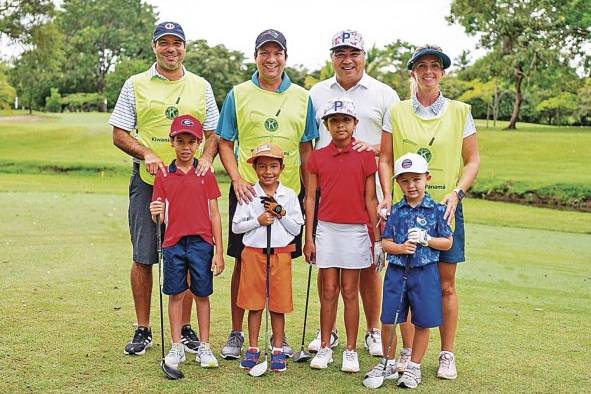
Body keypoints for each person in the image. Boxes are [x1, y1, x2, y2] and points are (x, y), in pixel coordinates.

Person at [110, 21, 220, 356]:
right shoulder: (135, 84)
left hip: (191, 185)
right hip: (148, 182)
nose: (171, 49)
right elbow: (119, 132)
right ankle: (143, 329)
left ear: (185, 47)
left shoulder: (201, 86)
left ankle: (184, 329)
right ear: (154, 46)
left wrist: (206, 158)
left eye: (177, 43)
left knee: (191, 253)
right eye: (164, 43)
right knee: (143, 255)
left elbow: (214, 132)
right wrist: (146, 152)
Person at [378, 44, 480, 379]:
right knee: (407, 282)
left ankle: (446, 354)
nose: (429, 72)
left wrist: (457, 192)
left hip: (445, 210)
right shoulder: (396, 111)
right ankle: (408, 352)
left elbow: (473, 161)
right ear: (413, 72)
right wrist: (385, 196)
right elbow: (386, 158)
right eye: (421, 66)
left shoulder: (460, 111)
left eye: (435, 66)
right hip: (405, 210)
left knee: (446, 285)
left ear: (443, 72)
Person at [217, 29, 318, 359]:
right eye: (265, 52)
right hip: (248, 191)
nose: (271, 59)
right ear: (256, 56)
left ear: (285, 57)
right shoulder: (239, 93)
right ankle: (236, 332)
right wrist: (235, 179)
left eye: (277, 53)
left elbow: (307, 150)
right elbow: (224, 142)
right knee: (243, 263)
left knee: (281, 264)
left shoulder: (303, 97)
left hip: (288, 195)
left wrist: (307, 193)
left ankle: (278, 337)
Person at [308, 29, 400, 357]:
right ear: (332, 57)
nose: (347, 60)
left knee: (367, 267)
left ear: (364, 56)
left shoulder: (384, 94)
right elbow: (310, 142)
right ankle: (327, 331)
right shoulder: (316, 93)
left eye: (353, 53)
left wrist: (370, 147)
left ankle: (372, 330)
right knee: (328, 264)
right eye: (339, 53)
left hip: (369, 194)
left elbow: (395, 145)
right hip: (328, 192)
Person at [364, 153, 452, 389]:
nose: (411, 185)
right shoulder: (397, 210)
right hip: (397, 272)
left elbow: (447, 242)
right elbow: (386, 242)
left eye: (416, 179)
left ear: (427, 178)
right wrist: (401, 247)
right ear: (398, 183)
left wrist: (427, 239)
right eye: (404, 181)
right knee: (388, 319)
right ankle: (388, 363)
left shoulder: (436, 209)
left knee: (422, 322)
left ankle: (413, 367)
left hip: (425, 272)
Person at [304, 98, 380, 373]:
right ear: (326, 125)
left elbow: (371, 199)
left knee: (350, 290)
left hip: (357, 230)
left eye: (345, 120)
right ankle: (325, 346)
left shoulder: (365, 156)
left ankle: (350, 350)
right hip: (326, 229)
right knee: (328, 290)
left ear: (355, 123)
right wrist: (309, 237)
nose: (340, 125)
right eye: (334, 121)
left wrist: (378, 239)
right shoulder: (318, 157)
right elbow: (310, 198)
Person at [149, 114, 224, 370]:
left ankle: (204, 346)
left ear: (199, 143)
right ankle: (176, 346)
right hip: (173, 243)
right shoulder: (164, 176)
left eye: (191, 142)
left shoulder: (205, 174)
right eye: (180, 141)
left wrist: (219, 252)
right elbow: (158, 215)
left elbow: (214, 214)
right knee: (176, 294)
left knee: (202, 295)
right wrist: (155, 211)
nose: (185, 147)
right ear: (171, 142)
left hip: (202, 243)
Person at [232, 143, 304, 373]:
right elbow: (236, 227)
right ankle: (253, 348)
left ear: (282, 168)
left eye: (273, 166)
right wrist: (258, 220)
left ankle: (277, 349)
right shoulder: (248, 194)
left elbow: (295, 229)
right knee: (254, 304)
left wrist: (279, 212)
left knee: (277, 305)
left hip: (280, 256)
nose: (268, 171)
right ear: (255, 169)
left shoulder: (290, 195)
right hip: (253, 255)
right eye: (262, 166)